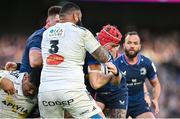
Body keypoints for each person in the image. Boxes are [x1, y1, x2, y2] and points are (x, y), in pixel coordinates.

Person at [39, 2, 113, 118]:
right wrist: (109, 54)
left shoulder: (46, 33)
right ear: (75, 16)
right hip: (71, 90)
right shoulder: (82, 32)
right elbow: (103, 57)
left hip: (46, 92)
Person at [2, 5, 61, 95]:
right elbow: (35, 62)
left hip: (37, 89)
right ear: (48, 21)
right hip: (22, 88)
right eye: (57, 22)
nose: (60, 26)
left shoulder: (56, 39)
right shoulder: (39, 36)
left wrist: (19, 66)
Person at [113, 31, 161, 118]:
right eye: (129, 43)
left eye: (135, 43)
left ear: (139, 46)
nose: (132, 46)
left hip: (139, 105)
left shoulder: (147, 63)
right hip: (119, 103)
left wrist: (155, 99)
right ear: (124, 45)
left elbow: (156, 84)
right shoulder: (116, 64)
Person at [84, 24, 128, 118]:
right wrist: (112, 75)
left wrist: (115, 74)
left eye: (116, 46)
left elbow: (117, 82)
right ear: (104, 42)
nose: (114, 49)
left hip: (117, 93)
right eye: (112, 46)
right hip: (98, 93)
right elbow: (95, 84)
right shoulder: (95, 50)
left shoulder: (114, 54)